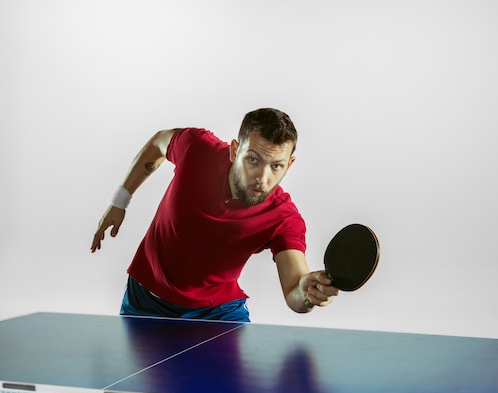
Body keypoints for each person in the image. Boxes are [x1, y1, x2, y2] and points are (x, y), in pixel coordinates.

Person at [91, 108, 339, 322]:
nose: (262, 178)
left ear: (289, 165)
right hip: (146, 301)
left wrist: (308, 295)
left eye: (276, 166)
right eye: (253, 160)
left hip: (216, 314)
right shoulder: (197, 149)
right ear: (234, 151)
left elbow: (294, 291)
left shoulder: (283, 218)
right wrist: (119, 201)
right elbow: (158, 143)